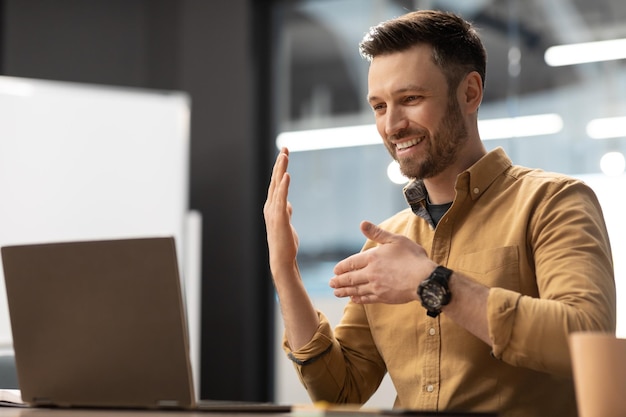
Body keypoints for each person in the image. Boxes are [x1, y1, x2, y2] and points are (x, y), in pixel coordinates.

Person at [263, 9, 615, 417]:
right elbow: (342, 391)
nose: (392, 125)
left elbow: (584, 336)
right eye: (379, 106)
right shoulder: (391, 243)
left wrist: (431, 283)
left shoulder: (553, 202)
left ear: (469, 93)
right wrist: (284, 270)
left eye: (410, 99)